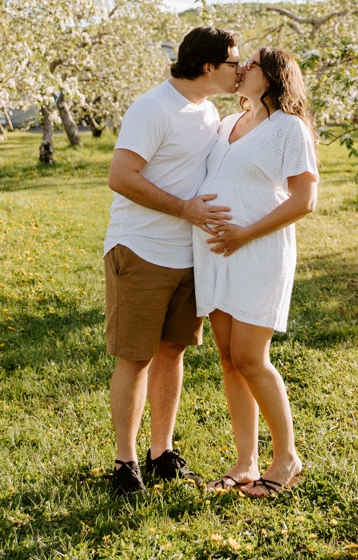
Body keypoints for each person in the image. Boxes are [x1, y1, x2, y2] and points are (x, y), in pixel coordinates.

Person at [102, 25, 242, 498]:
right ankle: (125, 464)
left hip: (190, 256)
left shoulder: (208, 111)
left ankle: (161, 453)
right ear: (207, 66)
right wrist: (185, 209)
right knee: (136, 357)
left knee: (171, 351)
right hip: (141, 250)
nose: (239, 70)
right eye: (232, 63)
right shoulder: (152, 108)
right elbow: (121, 176)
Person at [193, 47, 318, 498]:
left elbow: (304, 200)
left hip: (258, 250)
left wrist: (244, 234)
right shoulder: (228, 123)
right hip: (217, 253)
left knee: (250, 358)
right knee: (228, 360)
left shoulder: (288, 128)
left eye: (251, 67)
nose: (241, 70)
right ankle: (245, 462)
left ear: (272, 78)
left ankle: (286, 458)